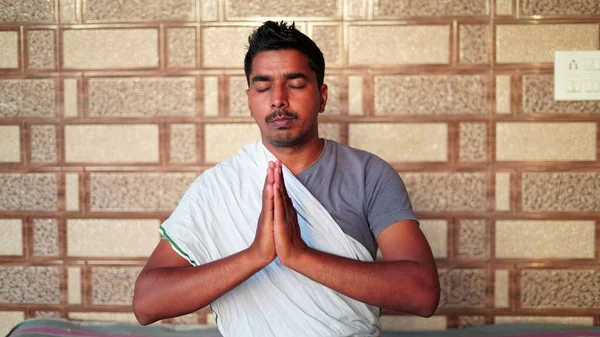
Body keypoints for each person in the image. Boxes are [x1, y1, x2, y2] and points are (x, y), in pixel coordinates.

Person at [133, 21, 440, 336]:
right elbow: (147, 304)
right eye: (264, 86)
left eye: (295, 84)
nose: (278, 99)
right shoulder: (218, 187)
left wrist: (299, 255)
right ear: (250, 100)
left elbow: (423, 294)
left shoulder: (368, 175)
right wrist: (255, 256)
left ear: (322, 97)